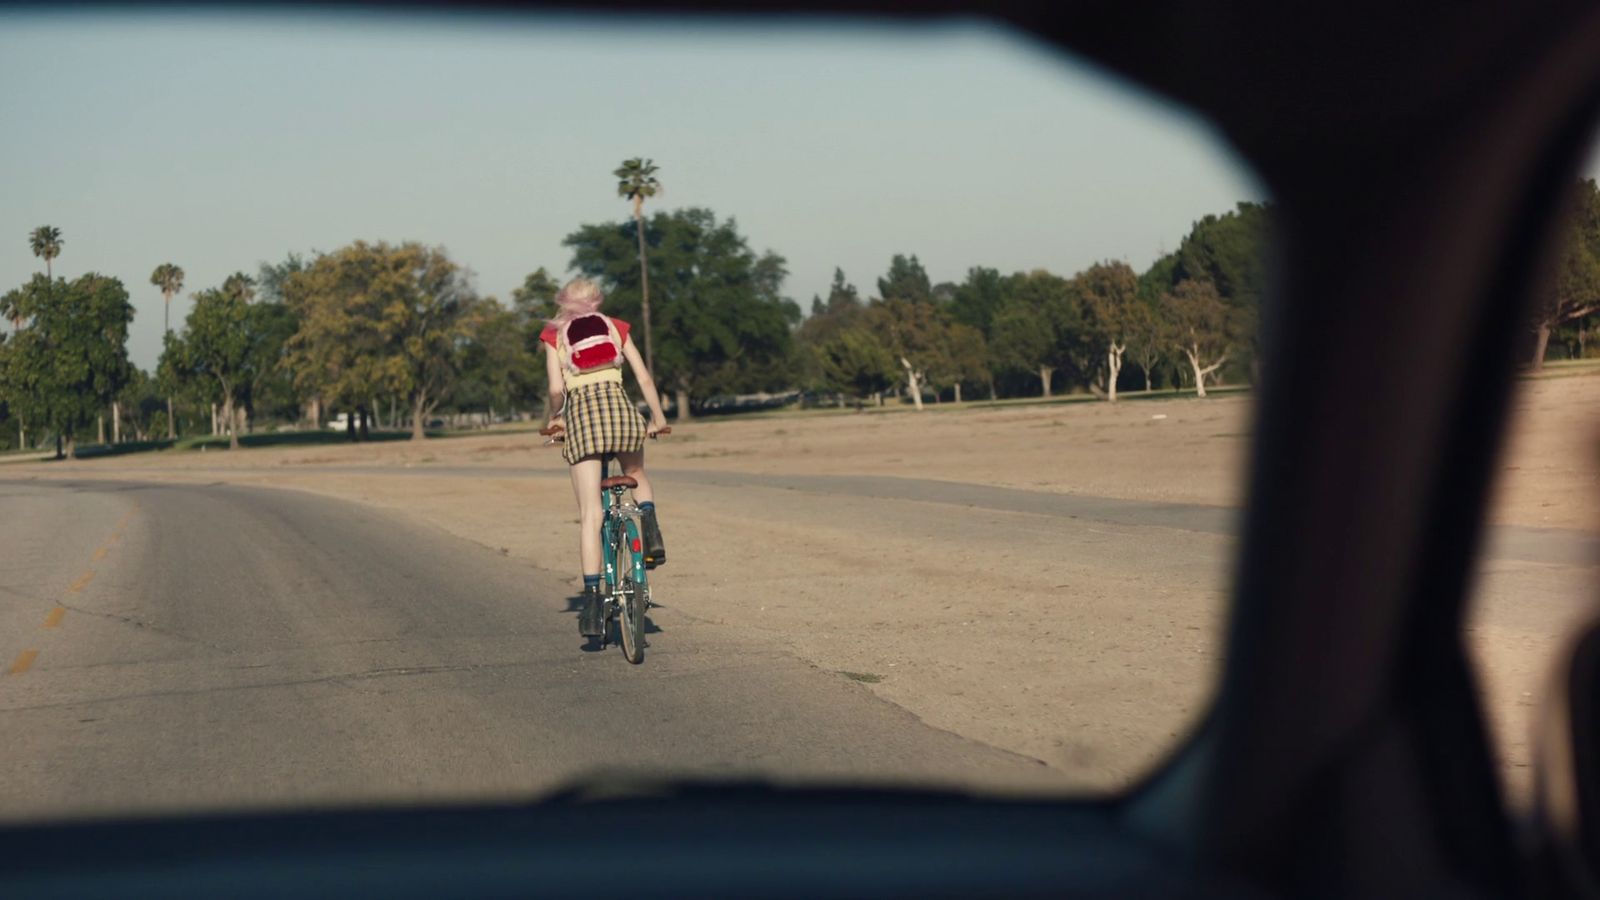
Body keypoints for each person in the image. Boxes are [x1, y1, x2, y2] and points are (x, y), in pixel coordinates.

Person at [540, 278, 670, 637]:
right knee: (636, 472)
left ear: (565, 303)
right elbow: (643, 377)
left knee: (590, 516)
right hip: (622, 414)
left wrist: (554, 418)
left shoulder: (554, 337)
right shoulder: (616, 327)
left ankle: (595, 605)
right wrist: (658, 419)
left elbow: (555, 389)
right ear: (597, 301)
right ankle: (652, 531)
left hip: (582, 421)